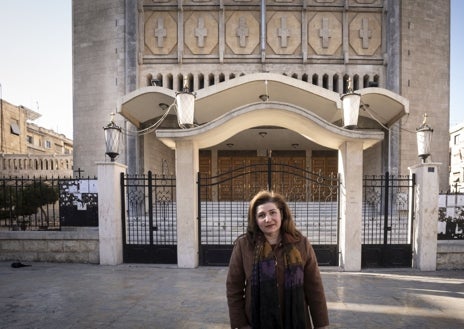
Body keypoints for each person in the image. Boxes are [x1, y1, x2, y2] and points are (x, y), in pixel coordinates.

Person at [226, 190, 329, 329]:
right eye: (261, 215)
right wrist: (241, 324)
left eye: (272, 212)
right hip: (256, 322)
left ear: (282, 213)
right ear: (255, 220)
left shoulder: (301, 244)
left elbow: (314, 287)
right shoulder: (244, 246)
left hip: (296, 321)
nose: (268, 219)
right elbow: (234, 288)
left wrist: (321, 324)